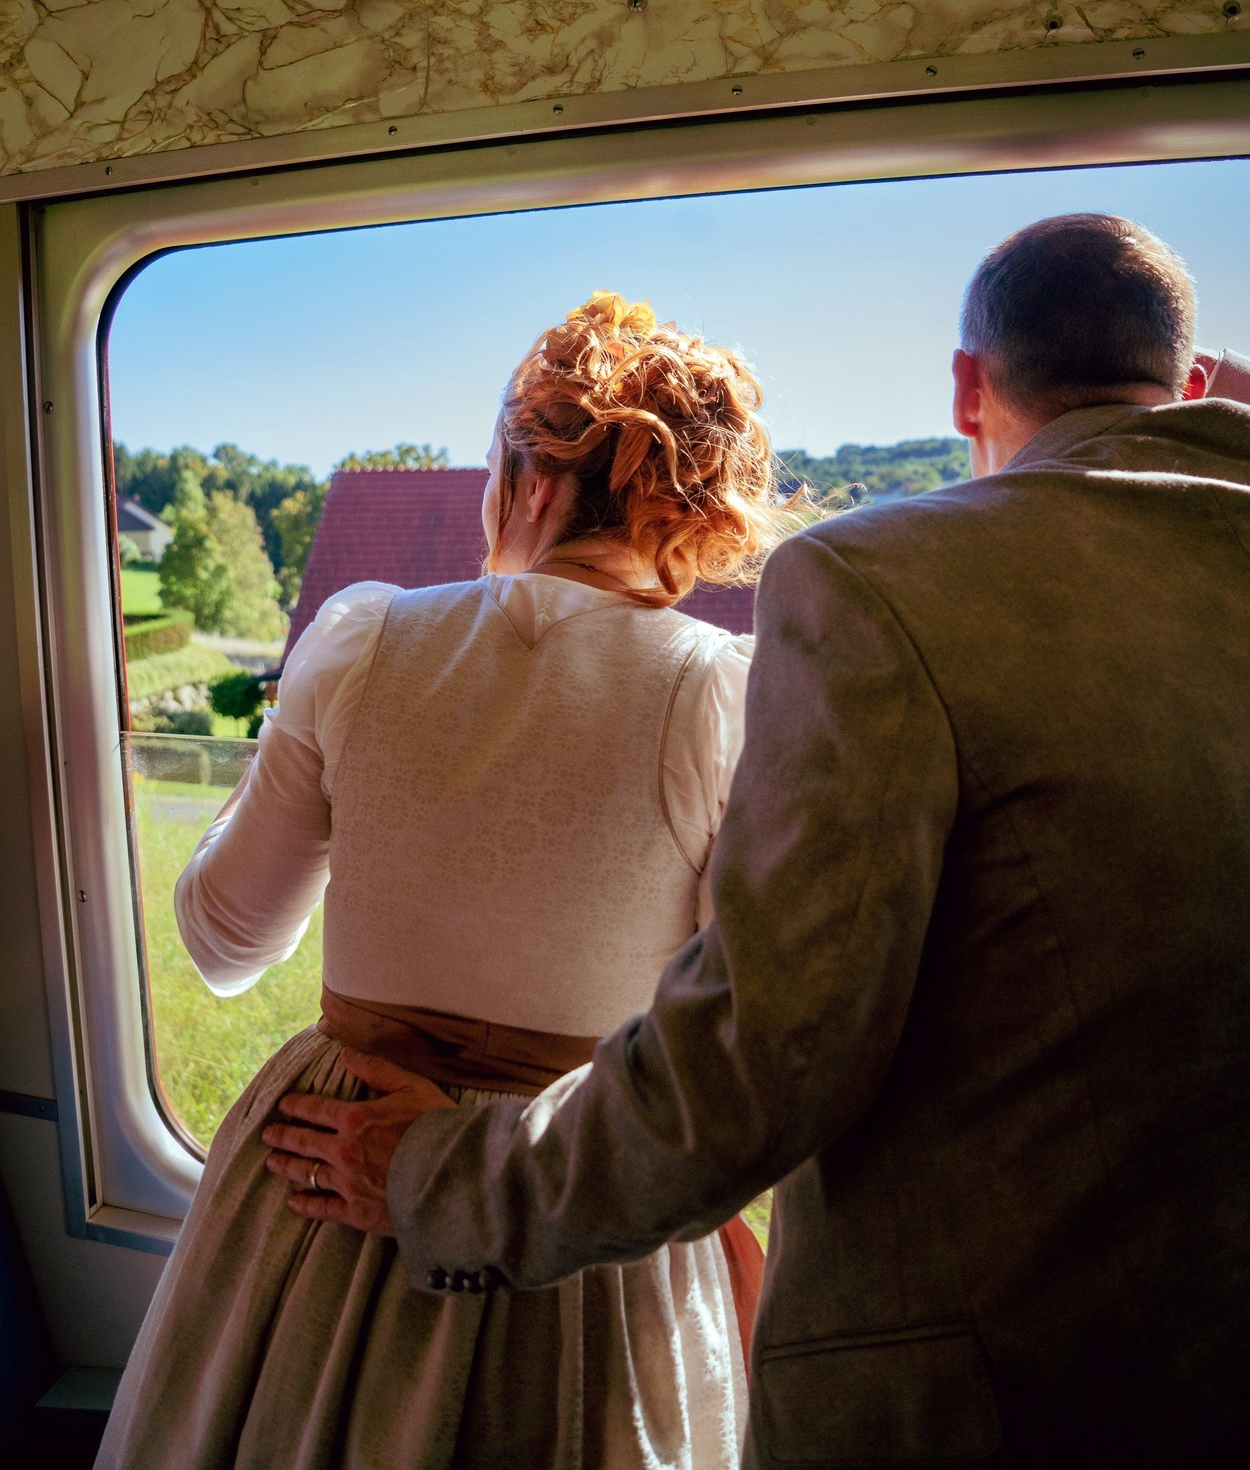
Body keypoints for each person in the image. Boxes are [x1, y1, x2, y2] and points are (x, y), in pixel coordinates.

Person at [269, 214, 1250, 1468]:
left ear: (966, 384)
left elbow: (765, 1044)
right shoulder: (717, 676)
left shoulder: (887, 587)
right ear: (1195, 378)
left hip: (1005, 1390)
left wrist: (445, 1177)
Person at [99, 292, 802, 1470]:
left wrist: (293, 759)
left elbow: (223, 942)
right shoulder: (721, 694)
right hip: (567, 1187)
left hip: (326, 1159)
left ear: (532, 480)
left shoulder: (359, 640)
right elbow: (737, 1040)